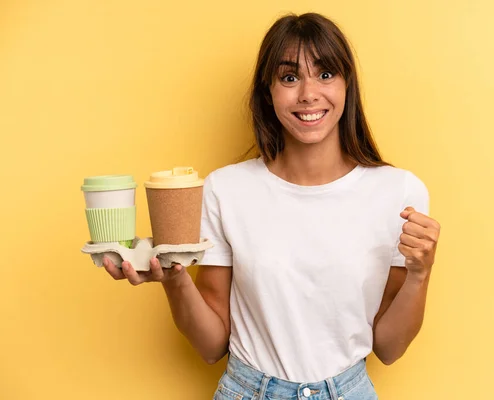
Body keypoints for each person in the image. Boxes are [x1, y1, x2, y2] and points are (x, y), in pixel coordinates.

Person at [103, 12, 441, 400]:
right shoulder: (225, 190)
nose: (309, 94)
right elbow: (212, 346)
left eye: (326, 74)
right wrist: (175, 276)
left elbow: (390, 347)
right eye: (290, 77)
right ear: (268, 91)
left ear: (348, 85)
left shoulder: (398, 192)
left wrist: (420, 274)